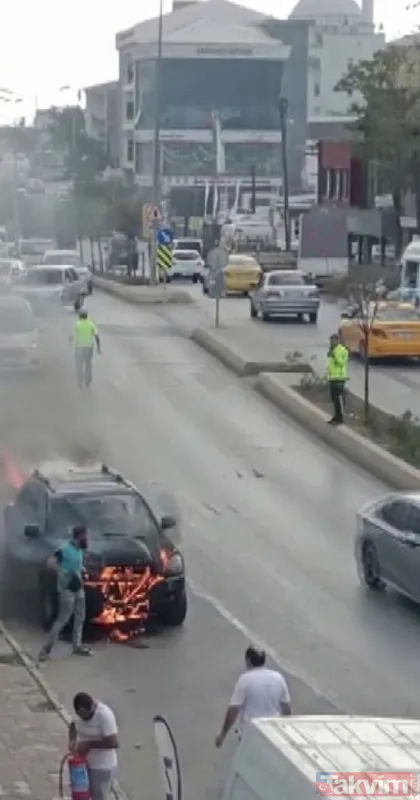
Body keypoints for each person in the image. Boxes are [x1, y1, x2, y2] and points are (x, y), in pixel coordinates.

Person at [215, 646, 291, 749]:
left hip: (251, 732)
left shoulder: (245, 680)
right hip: (273, 732)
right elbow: (286, 708)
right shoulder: (278, 678)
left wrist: (223, 734)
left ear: (248, 660)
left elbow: (233, 710)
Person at [37, 525, 92, 663]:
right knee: (63, 618)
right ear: (79, 535)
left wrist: (82, 570)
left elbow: (76, 565)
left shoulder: (79, 549)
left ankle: (77, 645)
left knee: (80, 616)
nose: (87, 538)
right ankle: (45, 650)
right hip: (67, 589)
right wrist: (63, 573)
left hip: (78, 587)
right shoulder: (64, 549)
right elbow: (50, 563)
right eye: (85, 535)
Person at [69, 692, 119, 800]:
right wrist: (72, 741)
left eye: (84, 715)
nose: (82, 718)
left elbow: (114, 742)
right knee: (81, 794)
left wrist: (89, 745)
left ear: (91, 708)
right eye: (79, 714)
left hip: (102, 766)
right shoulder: (78, 714)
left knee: (99, 796)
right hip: (83, 764)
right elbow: (73, 725)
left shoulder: (104, 715)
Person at [73, 307, 101, 389]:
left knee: (79, 365)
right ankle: (88, 380)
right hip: (89, 348)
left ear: (79, 316)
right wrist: (98, 347)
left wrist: (69, 341)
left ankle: (80, 382)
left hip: (79, 348)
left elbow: (72, 335)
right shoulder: (91, 324)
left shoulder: (77, 324)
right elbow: (96, 336)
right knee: (88, 364)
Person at [327, 333, 349, 426]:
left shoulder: (342, 350)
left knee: (338, 399)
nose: (332, 343)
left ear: (338, 340)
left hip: (339, 378)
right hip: (332, 377)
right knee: (334, 399)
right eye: (331, 341)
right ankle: (335, 416)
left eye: (333, 341)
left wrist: (334, 356)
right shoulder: (332, 350)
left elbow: (342, 362)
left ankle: (340, 418)